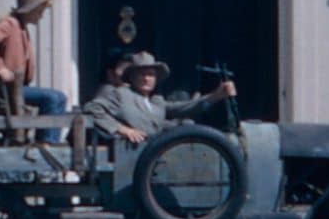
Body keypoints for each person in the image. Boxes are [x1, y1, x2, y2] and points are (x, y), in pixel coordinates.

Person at [81, 51, 235, 147]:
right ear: (132, 77)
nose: (147, 79)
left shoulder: (156, 101)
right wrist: (121, 129)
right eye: (142, 74)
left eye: (151, 75)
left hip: (160, 156)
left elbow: (185, 107)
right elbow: (92, 109)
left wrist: (216, 95)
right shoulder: (121, 94)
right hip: (131, 155)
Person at [0, 0, 65, 140]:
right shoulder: (10, 24)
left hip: (16, 88)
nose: (41, 15)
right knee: (52, 98)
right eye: (40, 11)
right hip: (4, 90)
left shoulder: (20, 27)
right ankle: (47, 142)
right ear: (30, 10)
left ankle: (49, 141)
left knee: (60, 97)